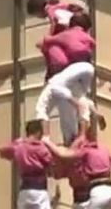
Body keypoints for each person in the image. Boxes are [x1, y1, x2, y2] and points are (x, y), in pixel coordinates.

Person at [36, 12, 97, 144]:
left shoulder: (63, 37)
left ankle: (48, 137)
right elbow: (92, 44)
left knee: (51, 98)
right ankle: (81, 133)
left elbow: (42, 43)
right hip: (87, 69)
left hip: (70, 72)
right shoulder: (86, 36)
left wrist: (52, 29)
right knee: (82, 98)